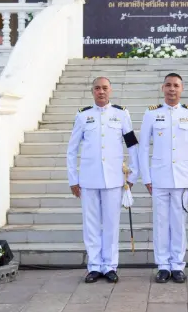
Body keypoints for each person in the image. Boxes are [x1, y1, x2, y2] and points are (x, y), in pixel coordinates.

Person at [134, 73, 188, 283]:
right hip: (158, 177)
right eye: (168, 85)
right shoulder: (151, 114)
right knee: (160, 223)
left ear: (181, 89)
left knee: (178, 223)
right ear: (162, 88)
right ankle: (163, 266)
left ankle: (177, 265)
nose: (172, 89)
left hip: (183, 178)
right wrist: (146, 177)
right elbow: (143, 147)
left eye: (176, 85)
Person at [66, 76, 139, 284]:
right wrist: (73, 179)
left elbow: (132, 145)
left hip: (114, 179)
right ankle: (94, 266)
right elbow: (72, 150)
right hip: (88, 179)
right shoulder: (83, 116)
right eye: (97, 88)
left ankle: (110, 266)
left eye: (105, 88)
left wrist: (133, 174)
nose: (101, 91)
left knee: (111, 224)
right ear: (92, 91)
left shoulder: (121, 114)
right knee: (91, 225)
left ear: (110, 90)